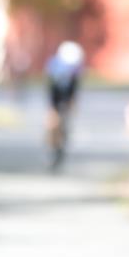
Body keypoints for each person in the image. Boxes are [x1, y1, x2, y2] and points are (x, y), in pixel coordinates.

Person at [45, 40, 84, 168]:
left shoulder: (75, 70)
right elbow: (51, 89)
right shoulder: (55, 67)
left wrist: (72, 102)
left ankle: (62, 143)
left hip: (66, 99)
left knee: (65, 124)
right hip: (55, 99)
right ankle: (54, 147)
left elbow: (74, 86)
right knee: (53, 124)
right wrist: (52, 108)